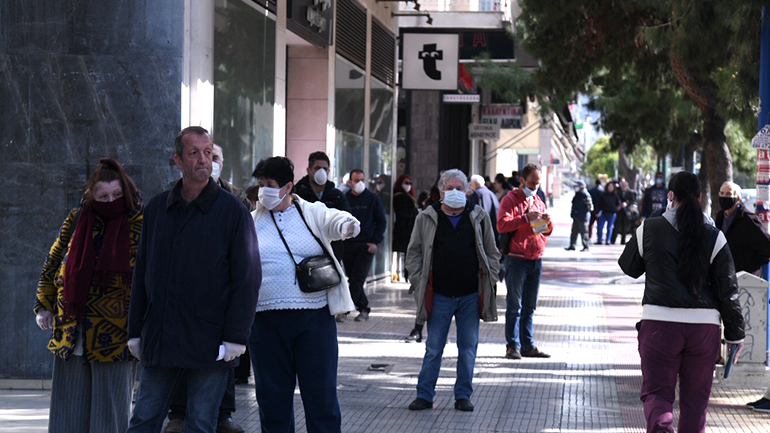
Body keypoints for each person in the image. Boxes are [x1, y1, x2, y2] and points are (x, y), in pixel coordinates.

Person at [126, 126, 261, 433]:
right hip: (160, 338)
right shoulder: (158, 208)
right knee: (143, 420)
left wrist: (236, 336)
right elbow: (142, 273)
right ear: (178, 160)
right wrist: (136, 331)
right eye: (194, 153)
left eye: (208, 152)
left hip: (209, 341)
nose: (204, 159)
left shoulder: (232, 210)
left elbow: (248, 277)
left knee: (201, 424)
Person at [618, 171, 744, 433]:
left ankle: (662, 428)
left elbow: (628, 266)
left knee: (657, 394)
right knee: (696, 403)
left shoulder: (649, 229)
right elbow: (728, 290)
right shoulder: (714, 235)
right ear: (699, 198)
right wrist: (735, 335)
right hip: (703, 330)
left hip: (659, 326)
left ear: (670, 196)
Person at [250, 156, 360, 433]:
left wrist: (347, 225)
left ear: (288, 187)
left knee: (320, 398)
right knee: (272, 401)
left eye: (270, 184)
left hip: (314, 320)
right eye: (261, 184)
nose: (264, 190)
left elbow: (337, 220)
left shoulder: (311, 211)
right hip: (265, 322)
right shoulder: (251, 220)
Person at [34, 158, 142, 433]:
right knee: (66, 416)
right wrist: (43, 305)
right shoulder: (76, 219)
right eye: (103, 196)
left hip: (117, 337)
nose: (110, 201)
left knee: (109, 418)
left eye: (117, 195)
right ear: (91, 195)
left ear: (127, 191)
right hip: (71, 332)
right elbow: (52, 263)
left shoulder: (141, 222)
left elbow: (150, 278)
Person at [162, 143, 251, 433]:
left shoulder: (234, 198)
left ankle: (223, 415)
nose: (207, 162)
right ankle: (178, 412)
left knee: (221, 360)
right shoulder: (177, 195)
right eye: (199, 155)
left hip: (219, 297)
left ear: (221, 164)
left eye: (213, 157)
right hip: (183, 295)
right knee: (181, 359)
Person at [405, 169, 500, 412]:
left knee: (468, 348)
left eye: (460, 188)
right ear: (441, 191)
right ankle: (424, 395)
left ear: (468, 191)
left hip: (470, 294)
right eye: (450, 189)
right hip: (439, 295)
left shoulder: (477, 216)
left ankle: (463, 396)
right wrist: (418, 281)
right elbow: (413, 252)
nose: (455, 193)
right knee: (434, 347)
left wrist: (492, 276)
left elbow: (492, 250)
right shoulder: (427, 216)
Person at [497, 163, 554, 359]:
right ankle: (513, 345)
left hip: (536, 259)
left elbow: (545, 230)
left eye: (537, 184)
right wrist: (524, 218)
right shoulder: (510, 199)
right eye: (531, 183)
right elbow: (502, 224)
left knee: (530, 306)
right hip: (517, 259)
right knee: (515, 305)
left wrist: (547, 222)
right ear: (522, 180)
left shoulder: (538, 200)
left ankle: (527, 345)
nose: (534, 187)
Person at [341, 169, 387, 322]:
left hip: (366, 246)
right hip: (348, 245)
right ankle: (364, 308)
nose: (359, 182)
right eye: (356, 180)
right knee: (353, 278)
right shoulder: (345, 198)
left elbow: (381, 222)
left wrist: (375, 241)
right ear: (350, 182)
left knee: (357, 279)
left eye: (362, 179)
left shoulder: (373, 198)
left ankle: (345, 309)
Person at [293, 151, 351, 261]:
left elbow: (346, 218)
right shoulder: (297, 194)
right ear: (309, 170)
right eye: (317, 168)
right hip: (304, 253)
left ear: (329, 171)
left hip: (332, 253)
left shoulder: (336, 195)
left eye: (324, 169)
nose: (321, 172)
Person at [392, 174, 418, 282]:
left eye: (410, 183)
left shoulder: (408, 196)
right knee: (407, 253)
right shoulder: (400, 197)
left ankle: (406, 274)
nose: (408, 185)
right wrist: (416, 212)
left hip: (409, 229)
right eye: (406, 183)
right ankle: (403, 274)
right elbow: (403, 212)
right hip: (403, 229)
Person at [212, 143, 253, 211]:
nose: (210, 162)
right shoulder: (190, 195)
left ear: (221, 166)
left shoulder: (239, 199)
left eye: (214, 158)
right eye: (207, 157)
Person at [565, 180, 593, 252]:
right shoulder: (577, 194)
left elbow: (590, 207)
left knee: (584, 233)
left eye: (577, 186)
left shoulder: (585, 195)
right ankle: (572, 245)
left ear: (581, 186)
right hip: (576, 216)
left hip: (583, 217)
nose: (575, 187)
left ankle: (586, 246)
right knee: (574, 232)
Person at [611, 178, 638, 245]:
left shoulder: (630, 192)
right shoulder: (618, 192)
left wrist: (627, 203)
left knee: (624, 227)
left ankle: (623, 240)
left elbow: (633, 200)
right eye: (623, 185)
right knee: (616, 226)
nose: (624, 187)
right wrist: (619, 204)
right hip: (619, 211)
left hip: (626, 212)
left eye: (625, 185)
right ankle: (613, 240)